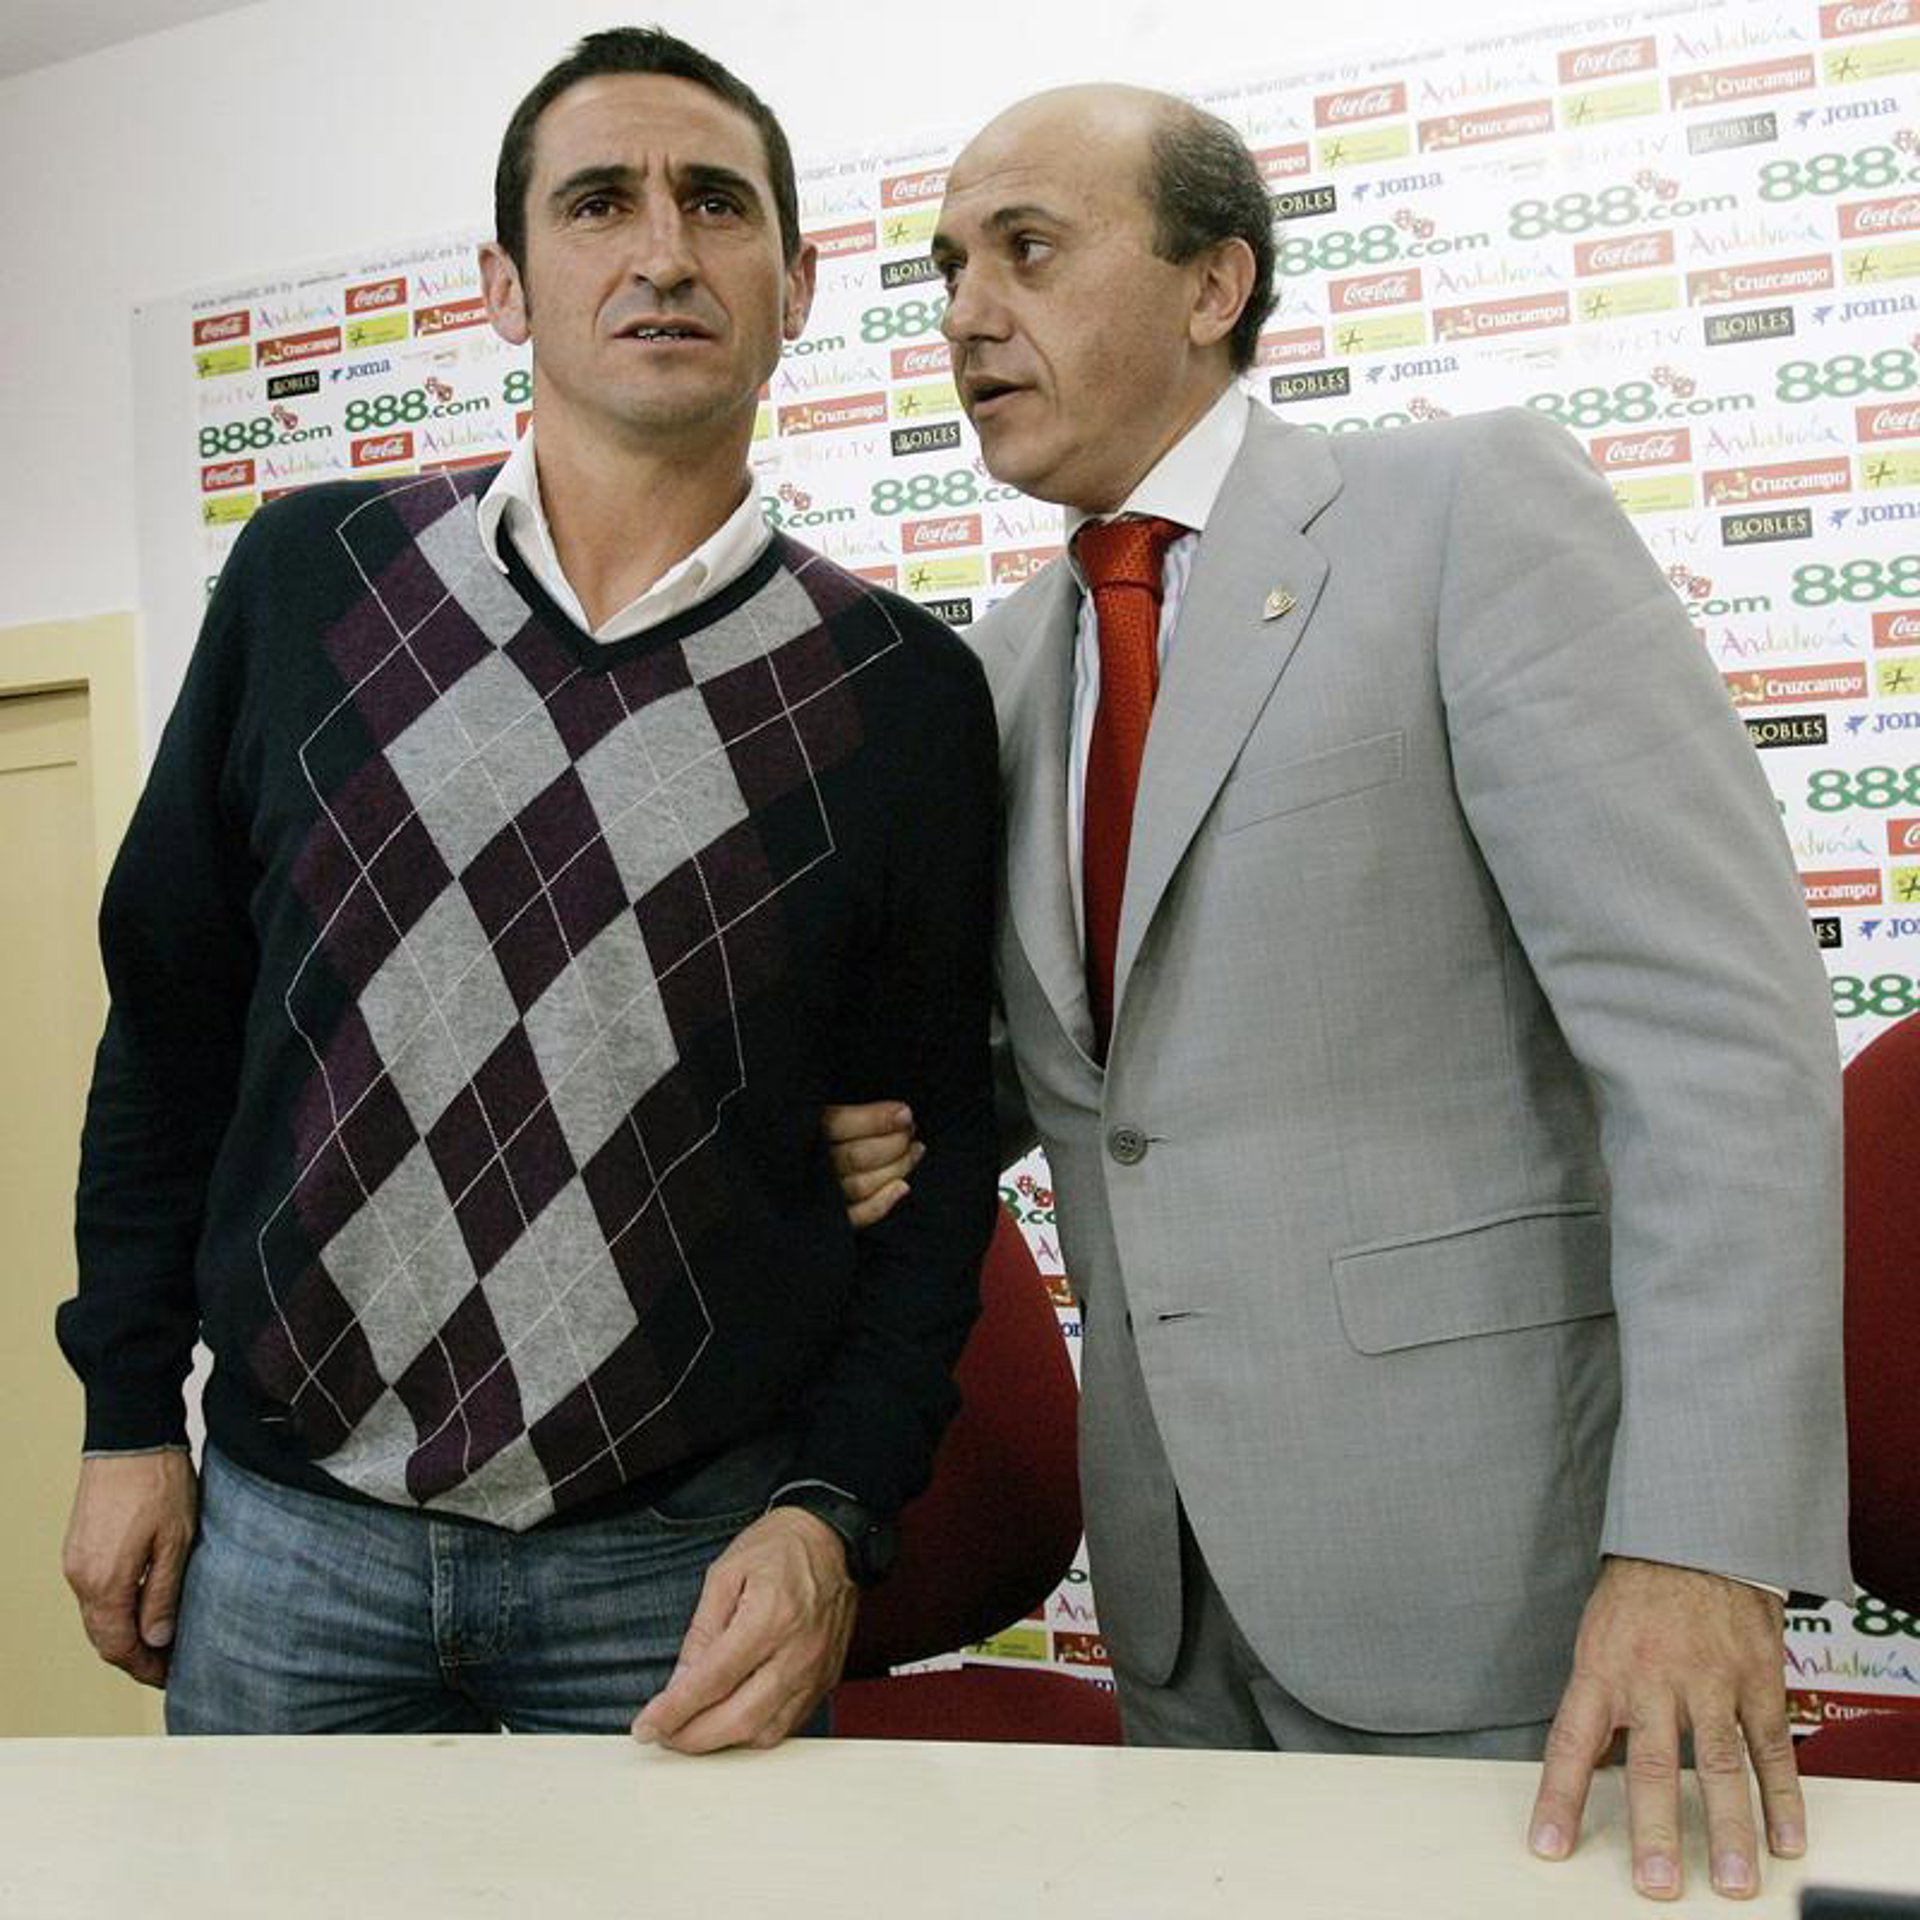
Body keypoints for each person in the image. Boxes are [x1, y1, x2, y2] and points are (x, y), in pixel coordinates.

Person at [827, 83, 1848, 1899]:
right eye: (949, 269)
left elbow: (1717, 1055)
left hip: (1503, 1592)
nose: (969, 313)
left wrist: (1703, 1547)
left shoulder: (1469, 513)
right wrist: (853, 1134)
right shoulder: (995, 676)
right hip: (1173, 1605)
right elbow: (1053, 1086)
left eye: (1029, 252)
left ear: (1214, 282)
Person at [57, 26, 999, 1747]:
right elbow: (167, 1032)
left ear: (795, 286)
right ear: (506, 286)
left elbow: (935, 1170)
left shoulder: (904, 696)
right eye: (598, 203)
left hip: (675, 1562)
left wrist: (834, 1508)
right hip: (292, 1542)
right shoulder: (309, 584)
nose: (663, 252)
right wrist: (127, 1415)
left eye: (718, 205)